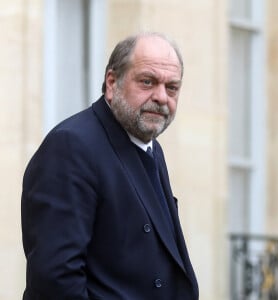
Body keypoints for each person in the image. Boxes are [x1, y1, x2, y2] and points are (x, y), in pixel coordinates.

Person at [21, 32, 199, 300]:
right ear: (112, 82)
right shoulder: (71, 146)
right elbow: (55, 281)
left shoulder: (151, 147)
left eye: (171, 87)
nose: (161, 97)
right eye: (147, 82)